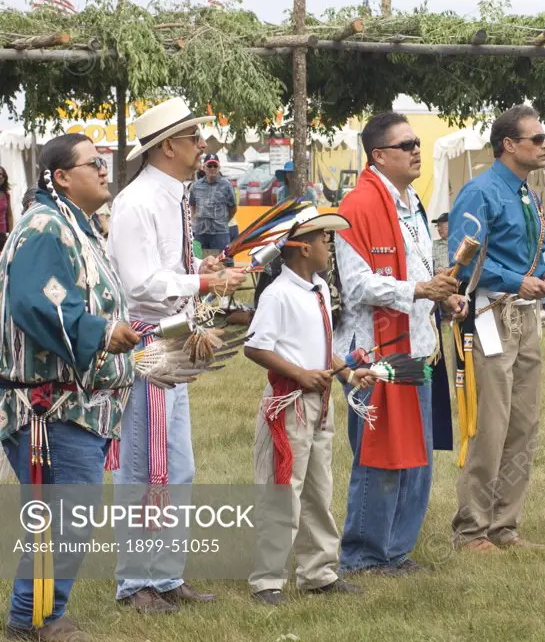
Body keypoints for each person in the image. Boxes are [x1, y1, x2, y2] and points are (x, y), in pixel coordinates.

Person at [107, 98, 247, 613]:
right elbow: (140, 282)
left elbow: (165, 269)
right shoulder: (137, 201)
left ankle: (165, 577)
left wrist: (199, 270)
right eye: (194, 139)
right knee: (144, 466)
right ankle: (134, 583)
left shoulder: (174, 196)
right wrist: (206, 279)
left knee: (178, 466)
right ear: (168, 146)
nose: (202, 146)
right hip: (147, 344)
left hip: (174, 340)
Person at [0, 135, 139, 642]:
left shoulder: (77, 229)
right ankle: (29, 620)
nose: (104, 171)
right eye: (94, 164)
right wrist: (100, 332)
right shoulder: (44, 229)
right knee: (64, 519)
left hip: (76, 405)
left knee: (67, 518)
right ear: (61, 176)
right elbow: (41, 302)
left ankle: (40, 614)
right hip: (50, 408)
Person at [335, 112, 462, 574]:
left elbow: (418, 276)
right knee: (378, 457)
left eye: (416, 143)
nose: (415, 150)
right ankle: (364, 555)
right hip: (373, 352)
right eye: (405, 144)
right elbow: (357, 285)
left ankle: (396, 550)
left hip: (419, 343)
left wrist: (442, 299)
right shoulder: (357, 207)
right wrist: (418, 291)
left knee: (418, 456)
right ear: (378, 155)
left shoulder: (413, 204)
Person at [245, 207, 369, 605]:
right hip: (289, 404)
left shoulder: (318, 290)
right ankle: (268, 580)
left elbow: (322, 349)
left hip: (320, 404)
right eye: (323, 239)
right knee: (283, 489)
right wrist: (300, 374)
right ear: (300, 248)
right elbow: (256, 347)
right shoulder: (278, 294)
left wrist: (345, 373)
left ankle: (319, 572)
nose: (329, 246)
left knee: (318, 489)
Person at [449, 104, 545, 552]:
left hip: (524, 315)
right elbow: (462, 255)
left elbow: (530, 251)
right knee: (490, 425)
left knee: (523, 423)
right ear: (509, 145)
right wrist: (517, 280)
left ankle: (505, 524)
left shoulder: (526, 193)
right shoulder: (481, 191)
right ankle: (471, 528)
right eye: (538, 139)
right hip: (490, 314)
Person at [189, 154, 237, 259]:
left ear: (219, 167)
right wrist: (196, 221)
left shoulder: (226, 185)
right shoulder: (196, 186)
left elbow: (233, 208)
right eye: (209, 166)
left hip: (220, 233)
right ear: (204, 168)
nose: (212, 169)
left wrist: (223, 221)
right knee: (198, 261)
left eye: (215, 166)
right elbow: (192, 206)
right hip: (200, 233)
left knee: (222, 263)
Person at [0, 165, 13, 250]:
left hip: (2, 234)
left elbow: (9, 215)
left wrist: (11, 235)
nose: (0, 176)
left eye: (2, 174)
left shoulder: (6, 195)